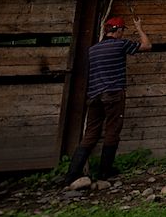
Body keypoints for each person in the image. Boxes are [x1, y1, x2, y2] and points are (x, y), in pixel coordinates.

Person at [61, 15, 152, 186]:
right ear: (117, 31)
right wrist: (139, 28)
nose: (122, 34)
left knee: (90, 134)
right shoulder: (119, 45)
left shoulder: (93, 50)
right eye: (122, 30)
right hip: (113, 95)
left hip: (94, 96)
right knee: (112, 131)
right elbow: (147, 45)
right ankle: (105, 172)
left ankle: (72, 174)